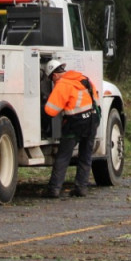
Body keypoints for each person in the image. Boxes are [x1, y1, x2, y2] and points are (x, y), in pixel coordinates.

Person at [43, 59, 99, 198]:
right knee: (85, 156)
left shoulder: (62, 84)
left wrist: (46, 101)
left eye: (52, 79)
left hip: (75, 123)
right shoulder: (82, 78)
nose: (53, 81)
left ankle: (54, 190)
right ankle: (81, 188)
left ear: (54, 75)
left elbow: (50, 111)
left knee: (63, 156)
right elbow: (95, 97)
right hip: (92, 119)